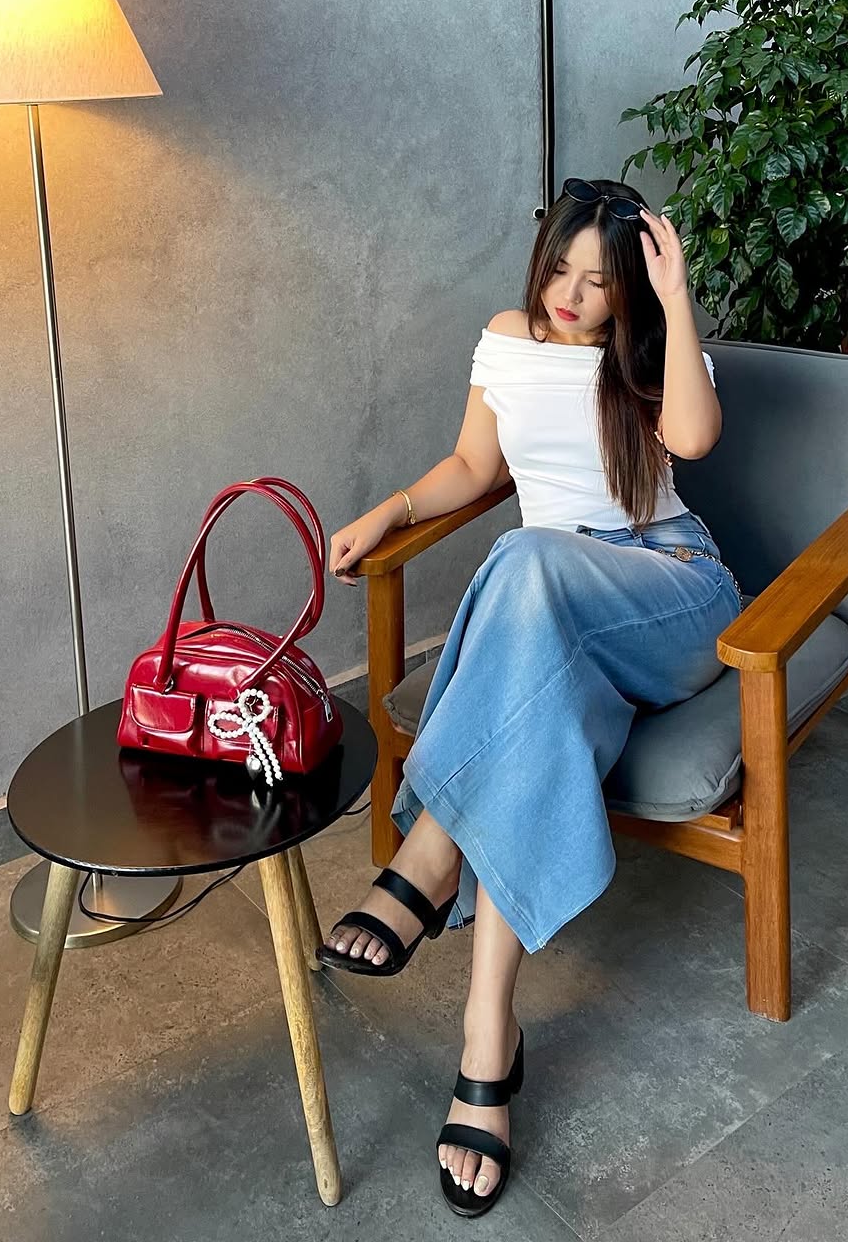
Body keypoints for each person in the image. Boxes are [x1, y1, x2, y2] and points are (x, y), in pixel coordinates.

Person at [316, 178, 742, 1217]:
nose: (572, 295)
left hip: (670, 592)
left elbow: (693, 441)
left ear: (627, 287)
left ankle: (428, 849)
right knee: (532, 710)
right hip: (553, 622)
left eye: (599, 281)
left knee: (525, 554)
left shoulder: (649, 353)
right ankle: (486, 1041)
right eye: (560, 270)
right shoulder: (506, 340)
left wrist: (674, 297)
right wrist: (390, 511)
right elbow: (475, 463)